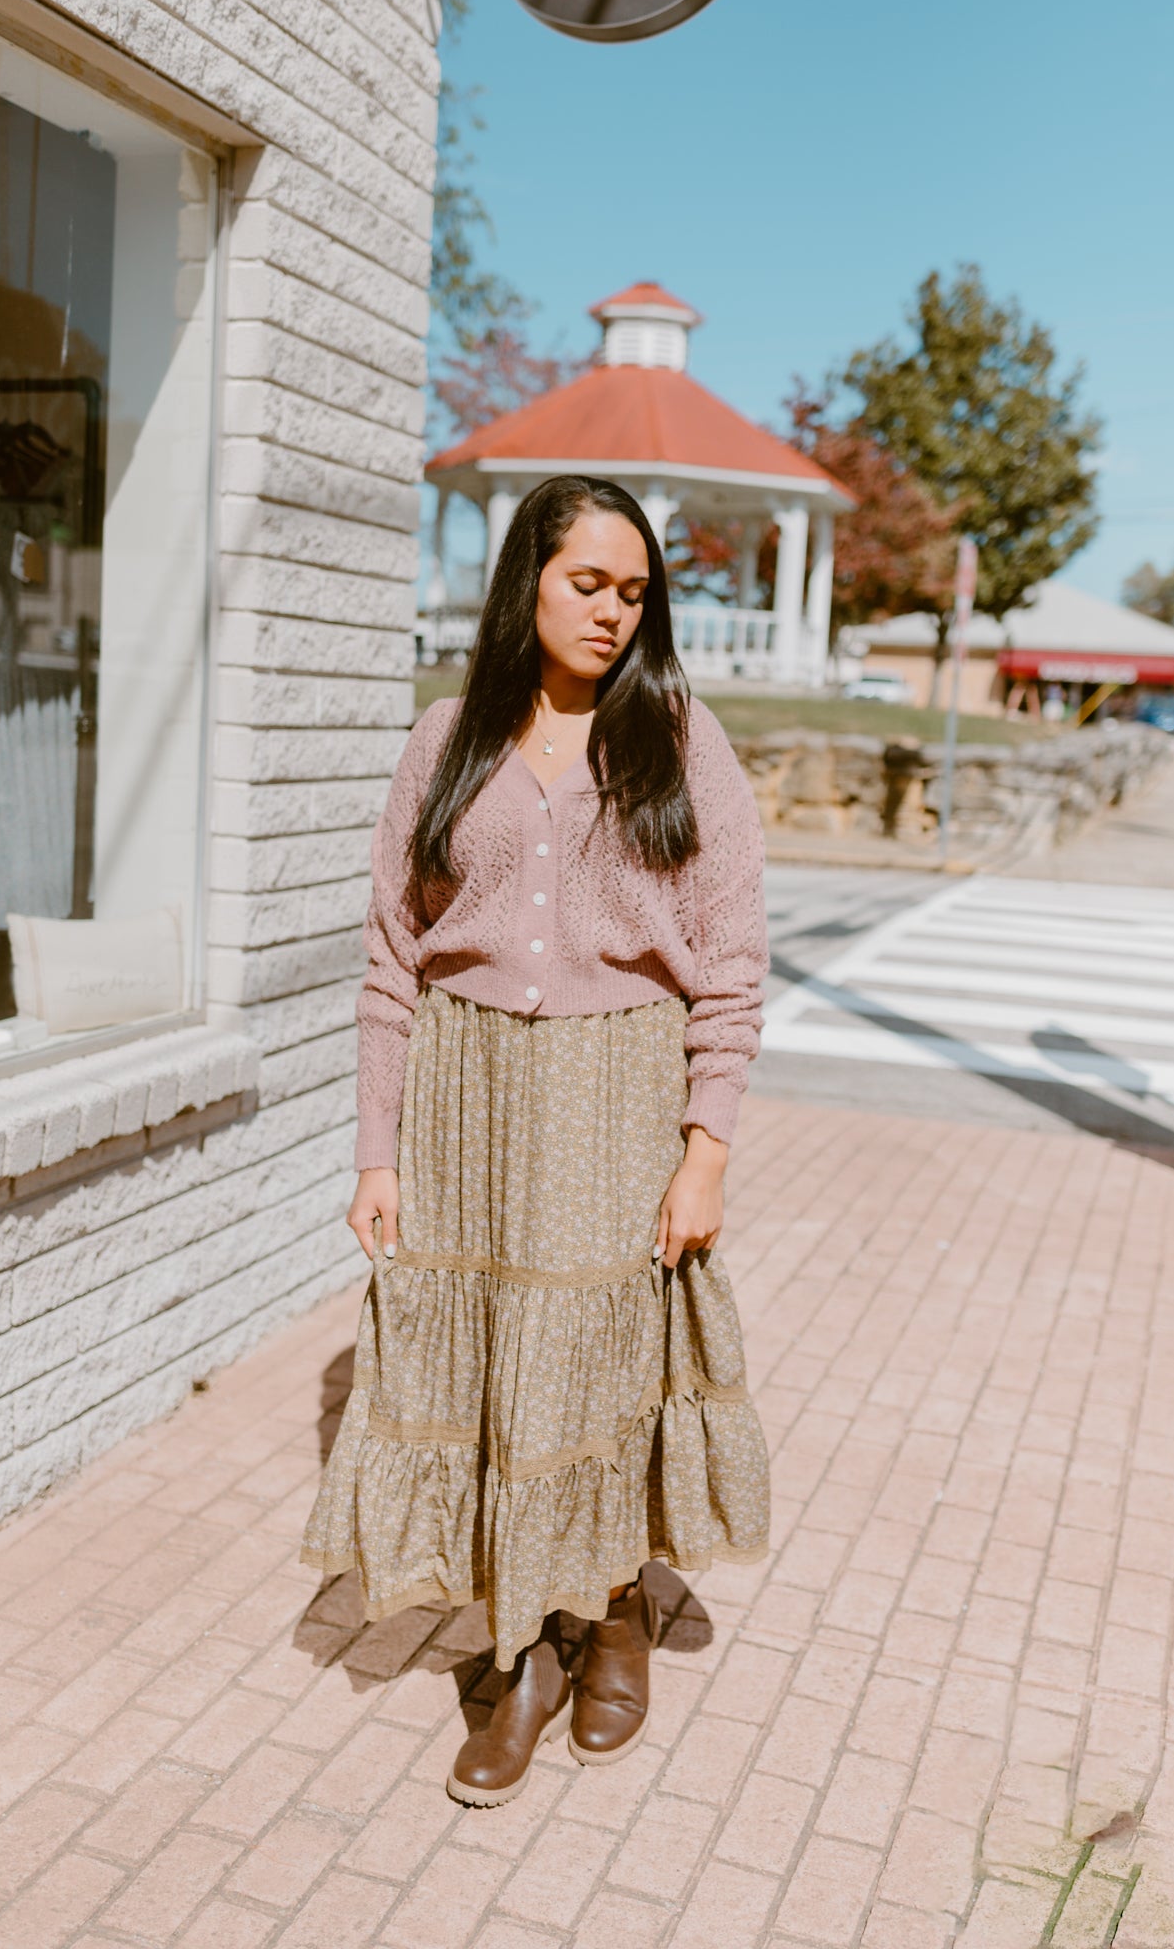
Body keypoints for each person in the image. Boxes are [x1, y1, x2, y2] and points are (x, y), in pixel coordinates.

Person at [302, 473, 770, 1807]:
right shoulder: (448, 734)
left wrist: (708, 1145)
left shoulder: (679, 735)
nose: (613, 612)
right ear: (528, 583)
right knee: (495, 1373)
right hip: (464, 1097)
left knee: (597, 1359)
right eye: (587, 582)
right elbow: (394, 956)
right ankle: (516, 1652)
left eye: (634, 590)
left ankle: (611, 1611)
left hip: (615, 1095)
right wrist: (376, 1152)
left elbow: (731, 962)